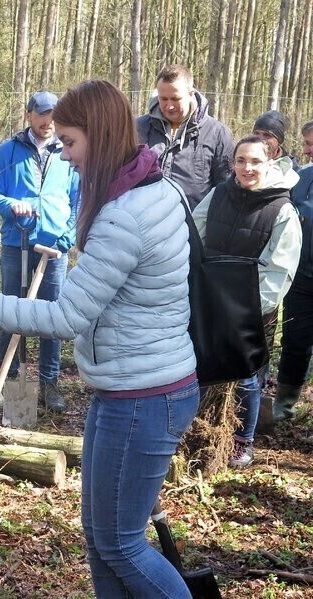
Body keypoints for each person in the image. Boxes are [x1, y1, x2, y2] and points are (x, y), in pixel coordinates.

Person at [0, 80, 199, 599]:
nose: (65, 154)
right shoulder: (153, 186)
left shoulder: (126, 214)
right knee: (101, 539)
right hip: (128, 388)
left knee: (121, 545)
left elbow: (67, 316)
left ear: (99, 136)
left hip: (144, 395)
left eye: (70, 142)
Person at [193, 135, 301, 467]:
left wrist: (250, 311)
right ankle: (197, 429)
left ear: (270, 162)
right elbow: (194, 236)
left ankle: (242, 442)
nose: (247, 168)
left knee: (246, 376)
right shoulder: (218, 194)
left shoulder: (281, 210)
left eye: (255, 161)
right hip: (211, 300)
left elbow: (279, 271)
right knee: (200, 365)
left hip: (251, 311)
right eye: (241, 161)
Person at [0, 90, 80, 412]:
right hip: (17, 243)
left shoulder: (68, 150)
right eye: (41, 114)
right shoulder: (9, 151)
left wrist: (67, 237)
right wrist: (12, 205)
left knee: (52, 318)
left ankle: (50, 383)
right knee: (12, 314)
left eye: (52, 114)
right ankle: (11, 382)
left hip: (54, 249)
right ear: (29, 115)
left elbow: (79, 202)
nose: (47, 121)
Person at [136, 64, 235, 209]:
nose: (169, 106)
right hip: (144, 221)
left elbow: (225, 188)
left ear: (191, 94)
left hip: (193, 225)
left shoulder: (217, 134)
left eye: (175, 99)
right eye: (163, 99)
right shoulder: (138, 129)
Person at [274, 120, 313, 423]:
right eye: (306, 142)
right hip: (301, 276)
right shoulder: (299, 178)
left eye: (312, 142)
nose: (307, 148)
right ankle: (284, 408)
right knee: (295, 342)